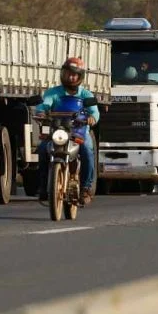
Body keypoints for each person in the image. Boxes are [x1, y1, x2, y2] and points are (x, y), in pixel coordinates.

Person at [35, 57, 99, 205]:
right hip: (58, 130)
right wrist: (41, 113)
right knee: (43, 149)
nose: (71, 77)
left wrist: (91, 118)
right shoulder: (53, 93)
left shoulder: (86, 95)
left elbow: (94, 112)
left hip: (79, 131)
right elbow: (44, 105)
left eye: (74, 74)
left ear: (80, 76)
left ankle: (85, 188)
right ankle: (44, 186)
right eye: (68, 73)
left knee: (87, 151)